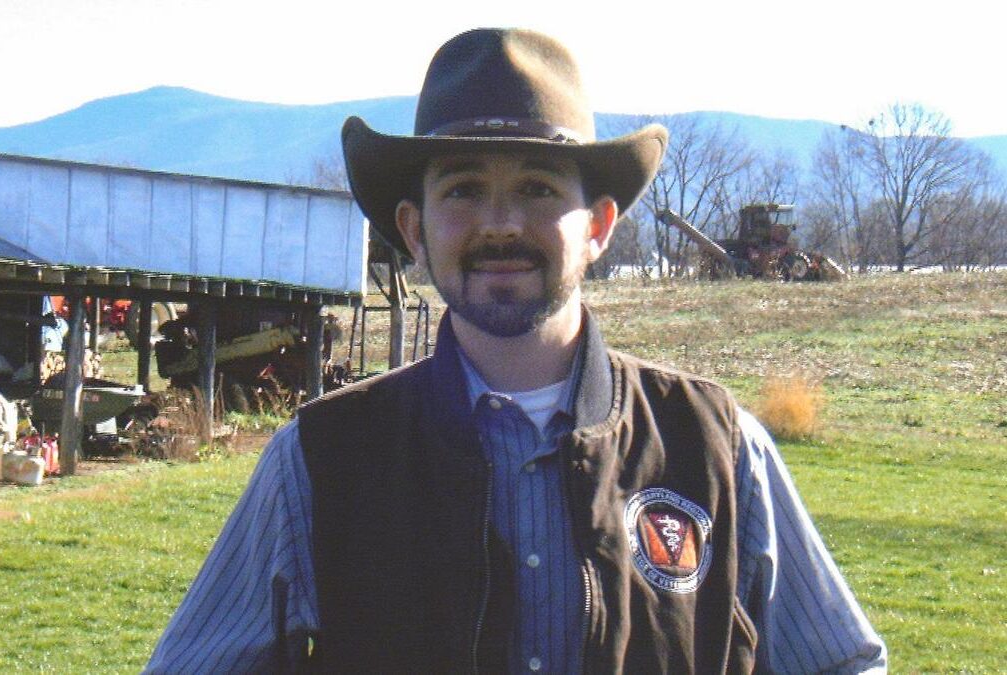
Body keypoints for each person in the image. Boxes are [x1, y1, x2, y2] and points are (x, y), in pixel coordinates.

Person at [146, 28, 886, 673]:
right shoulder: (320, 460)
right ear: (414, 229)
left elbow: (842, 663)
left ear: (598, 226)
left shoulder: (718, 448)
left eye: (536, 188)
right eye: (464, 190)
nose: (499, 224)